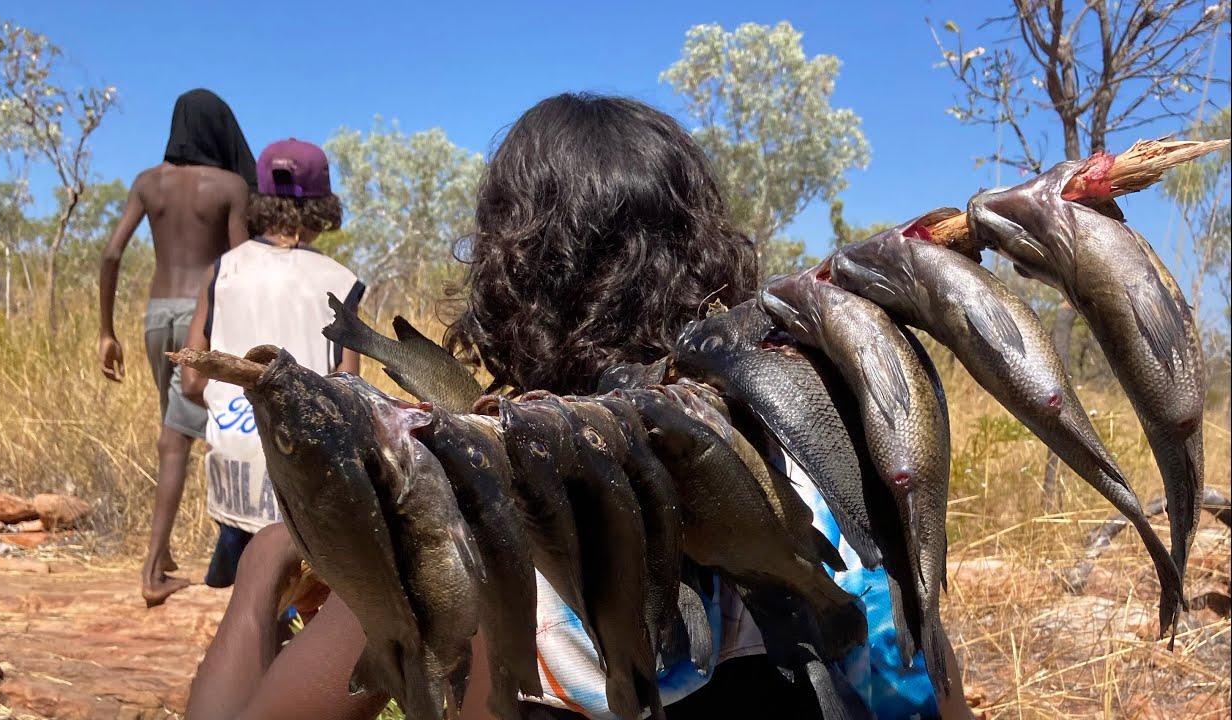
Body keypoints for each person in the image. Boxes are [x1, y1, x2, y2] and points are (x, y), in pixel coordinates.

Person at [186, 93, 976, 719]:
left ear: (505, 281)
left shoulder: (464, 500)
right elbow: (938, 693)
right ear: (713, 254)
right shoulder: (825, 470)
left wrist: (261, 573)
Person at [179, 138, 365, 590]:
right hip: (304, 475)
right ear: (323, 205)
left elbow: (189, 380)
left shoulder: (223, 270)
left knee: (251, 597)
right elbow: (348, 389)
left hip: (237, 466)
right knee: (299, 600)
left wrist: (236, 408)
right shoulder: (340, 282)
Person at [98, 88, 257, 607]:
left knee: (176, 430)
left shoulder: (148, 183)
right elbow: (237, 266)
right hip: (200, 319)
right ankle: (155, 569)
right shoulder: (229, 185)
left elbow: (111, 253)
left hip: (154, 316)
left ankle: (163, 557)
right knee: (186, 437)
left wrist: (106, 331)